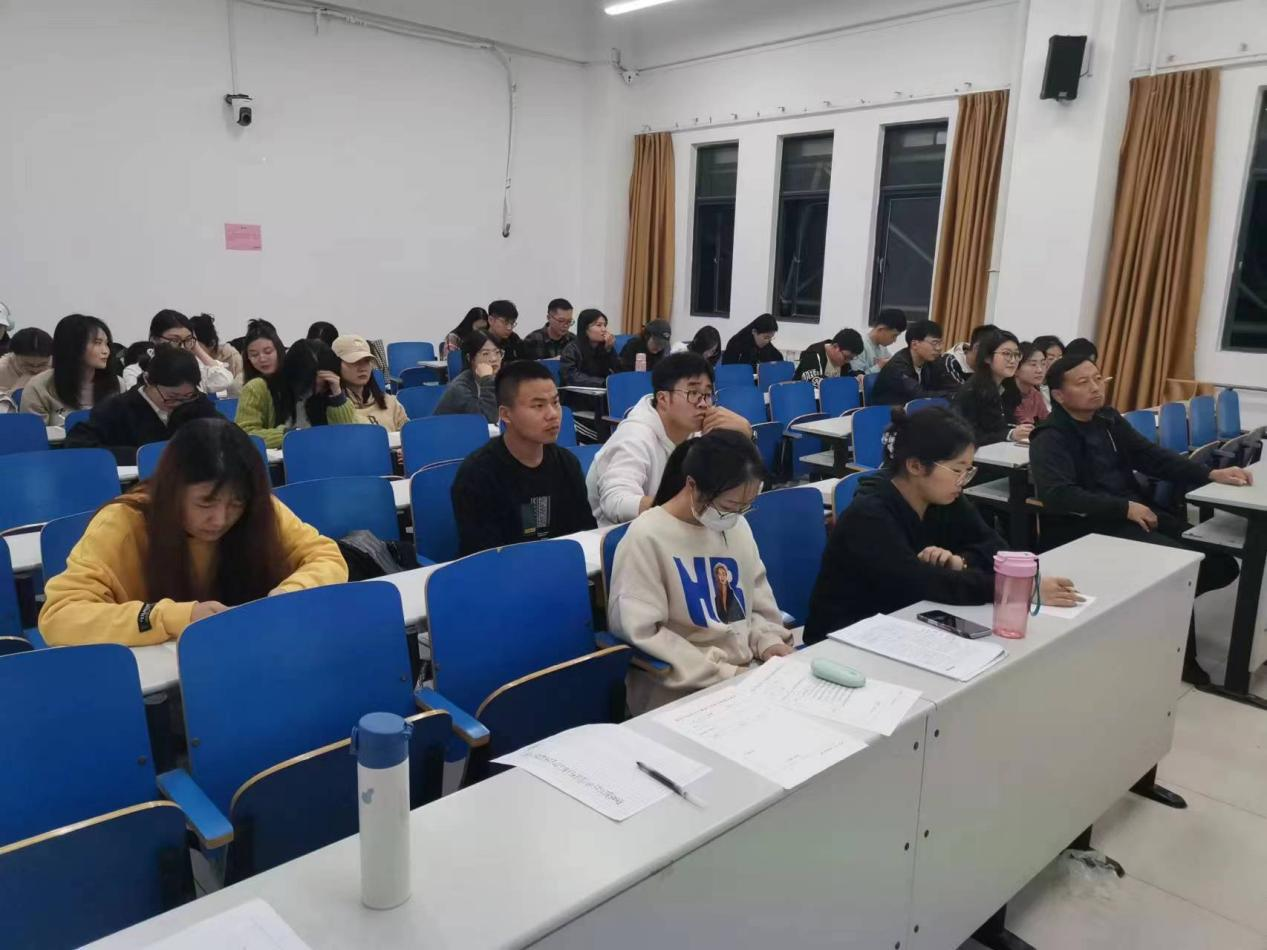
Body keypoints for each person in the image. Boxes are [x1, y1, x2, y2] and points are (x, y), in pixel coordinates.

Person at [1029, 356, 1252, 683]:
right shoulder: (1049, 436)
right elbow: (1058, 495)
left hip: (1132, 512)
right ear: (1059, 396)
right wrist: (1123, 508)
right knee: (1179, 571)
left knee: (1221, 563)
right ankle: (1180, 660)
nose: (1095, 388)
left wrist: (1209, 473)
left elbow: (1152, 457)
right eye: (1083, 383)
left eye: (1097, 378)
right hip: (1086, 527)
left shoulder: (1108, 420)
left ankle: (1145, 612)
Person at [40, 418, 348, 647]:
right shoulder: (123, 523)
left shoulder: (259, 509)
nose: (220, 519)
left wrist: (289, 594)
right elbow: (60, 616)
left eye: (235, 503)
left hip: (252, 656)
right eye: (205, 503)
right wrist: (177, 617)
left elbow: (326, 557)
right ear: (172, 490)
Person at [804, 408, 1080, 643]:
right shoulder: (869, 516)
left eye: (968, 470)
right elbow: (919, 583)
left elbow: (995, 548)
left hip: (908, 622)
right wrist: (1015, 591)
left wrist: (961, 561)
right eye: (957, 470)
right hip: (846, 636)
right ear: (915, 466)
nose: (963, 480)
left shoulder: (945, 498)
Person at [608, 430, 793, 713]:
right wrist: (725, 673)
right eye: (729, 506)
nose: (735, 516)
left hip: (745, 674)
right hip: (682, 688)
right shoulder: (647, 537)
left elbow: (753, 604)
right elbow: (644, 634)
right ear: (692, 485)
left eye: (746, 507)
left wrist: (767, 641)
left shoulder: (736, 526)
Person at [586, 352, 751, 527]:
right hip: (624, 535)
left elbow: (736, 486)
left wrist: (745, 436)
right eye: (693, 393)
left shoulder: (699, 432)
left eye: (707, 394)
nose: (703, 403)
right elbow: (616, 501)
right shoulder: (635, 435)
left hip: (677, 528)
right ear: (663, 398)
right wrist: (681, 508)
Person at [451, 361, 595, 555]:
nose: (553, 414)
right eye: (538, 406)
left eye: (555, 402)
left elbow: (584, 535)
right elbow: (484, 557)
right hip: (502, 570)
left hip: (559, 566)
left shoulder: (567, 464)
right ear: (506, 414)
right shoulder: (477, 475)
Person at [64, 346, 220, 463]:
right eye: (171, 396)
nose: (178, 403)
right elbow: (78, 445)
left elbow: (226, 435)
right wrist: (142, 455)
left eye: (187, 396)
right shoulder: (116, 408)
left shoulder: (196, 402)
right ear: (147, 379)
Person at [235, 339, 361, 448]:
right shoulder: (258, 388)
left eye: (324, 383)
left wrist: (338, 399)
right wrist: (289, 435)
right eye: (311, 384)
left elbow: (349, 438)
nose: (317, 389)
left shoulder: (331, 393)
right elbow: (243, 435)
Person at [21, 314, 123, 426]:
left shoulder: (117, 384)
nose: (106, 351)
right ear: (73, 346)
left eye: (106, 344)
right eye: (97, 343)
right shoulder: (40, 387)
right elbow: (34, 433)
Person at [121, 311, 234, 394]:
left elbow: (224, 380)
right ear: (154, 339)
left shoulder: (195, 366)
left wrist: (196, 347)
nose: (182, 347)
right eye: (175, 340)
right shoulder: (135, 371)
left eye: (187, 340)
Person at [951, 331, 1029, 446]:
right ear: (987, 357)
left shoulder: (1007, 388)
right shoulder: (972, 391)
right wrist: (1009, 434)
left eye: (1017, 354)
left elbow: (1001, 424)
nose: (1013, 360)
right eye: (1006, 354)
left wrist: (1019, 430)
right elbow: (969, 436)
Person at [870, 318, 957, 406]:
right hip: (888, 411)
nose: (939, 348)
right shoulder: (898, 366)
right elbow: (918, 395)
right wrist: (951, 395)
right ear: (915, 344)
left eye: (940, 343)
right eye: (934, 343)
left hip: (914, 409)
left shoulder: (932, 361)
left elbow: (948, 385)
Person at [333, 334, 408, 431]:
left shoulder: (391, 402)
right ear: (336, 365)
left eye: (367, 361)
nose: (362, 368)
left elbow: (409, 436)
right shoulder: (334, 410)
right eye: (354, 361)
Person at [434, 330, 501, 423]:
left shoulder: (501, 380)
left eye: (497, 352)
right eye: (485, 353)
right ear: (470, 358)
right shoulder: (459, 388)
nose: (494, 359)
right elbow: (487, 419)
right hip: (448, 431)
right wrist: (487, 379)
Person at [560, 308, 620, 387]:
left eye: (604, 325)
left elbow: (618, 371)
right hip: (578, 392)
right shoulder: (572, 349)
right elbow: (572, 377)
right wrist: (603, 382)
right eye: (599, 325)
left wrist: (608, 350)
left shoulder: (605, 347)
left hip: (602, 391)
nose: (604, 329)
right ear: (585, 329)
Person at [190, 313, 245, 395]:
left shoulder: (230, 356)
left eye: (195, 346)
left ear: (212, 344)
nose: (191, 350)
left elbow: (238, 387)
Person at [795, 328, 864, 385]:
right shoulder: (812, 356)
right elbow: (814, 382)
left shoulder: (843, 361)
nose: (847, 361)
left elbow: (849, 374)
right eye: (846, 357)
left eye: (851, 358)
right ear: (836, 346)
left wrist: (858, 376)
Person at [0, 327, 52, 394]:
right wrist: (17, 390)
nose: (35, 370)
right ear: (14, 355)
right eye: (27, 364)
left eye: (42, 364)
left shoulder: (57, 366)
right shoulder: (2, 369)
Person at [854, 309, 907, 375]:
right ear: (881, 329)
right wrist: (879, 366)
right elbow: (856, 378)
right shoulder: (860, 345)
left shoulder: (882, 347)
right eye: (894, 335)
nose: (894, 340)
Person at [1013, 341, 1051, 426]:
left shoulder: (1035, 395)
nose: (1040, 370)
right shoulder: (1005, 395)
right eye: (1033, 364)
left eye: (1043, 364)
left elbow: (1047, 421)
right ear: (1015, 368)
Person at [241, 319, 285, 385]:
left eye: (268, 352)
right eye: (254, 354)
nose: (262, 359)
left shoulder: (294, 376)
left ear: (279, 350)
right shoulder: (250, 385)